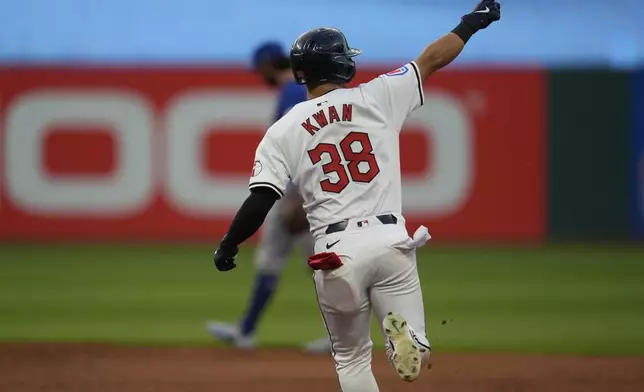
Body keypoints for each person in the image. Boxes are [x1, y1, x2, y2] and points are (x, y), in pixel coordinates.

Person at [211, 1, 501, 390]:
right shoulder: (378, 96)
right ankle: (406, 339)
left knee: (350, 360)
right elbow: (432, 59)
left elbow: (260, 201)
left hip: (335, 252)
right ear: (340, 64)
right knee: (418, 350)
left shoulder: (283, 129)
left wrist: (229, 244)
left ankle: (397, 343)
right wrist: (472, 22)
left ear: (302, 73)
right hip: (390, 241)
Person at [206, 42, 331, 354]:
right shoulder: (304, 88)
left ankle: (342, 337)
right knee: (282, 262)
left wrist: (299, 196)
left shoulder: (291, 91)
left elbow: (301, 145)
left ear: (266, 65)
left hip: (300, 195)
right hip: (305, 193)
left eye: (258, 69)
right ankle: (246, 330)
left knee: (321, 266)